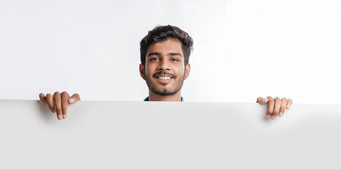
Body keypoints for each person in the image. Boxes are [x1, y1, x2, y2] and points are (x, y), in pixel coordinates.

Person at [39, 25, 292, 120]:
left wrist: (273, 116)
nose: (164, 66)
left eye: (173, 59)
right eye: (154, 58)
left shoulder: (210, 126)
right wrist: (65, 117)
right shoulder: (116, 124)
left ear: (187, 70)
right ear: (142, 70)